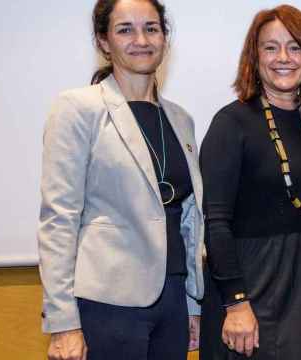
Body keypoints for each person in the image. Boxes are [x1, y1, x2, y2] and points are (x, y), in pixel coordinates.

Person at [37, 1, 204, 359]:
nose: (141, 39)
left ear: (165, 37)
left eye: (152, 28)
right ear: (103, 41)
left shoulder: (181, 119)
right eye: (125, 29)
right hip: (107, 303)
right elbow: (59, 219)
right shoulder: (78, 109)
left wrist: (192, 303)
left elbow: (187, 218)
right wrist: (63, 322)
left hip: (172, 298)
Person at [199, 5, 301, 360]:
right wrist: (236, 303)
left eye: (295, 47)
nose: (284, 57)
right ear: (255, 57)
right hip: (254, 291)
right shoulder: (230, 124)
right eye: (271, 48)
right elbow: (216, 222)